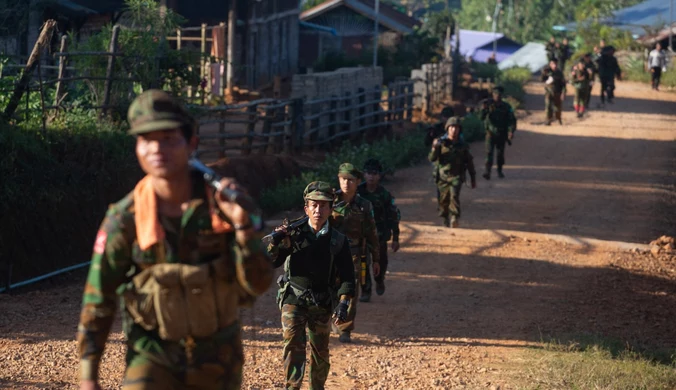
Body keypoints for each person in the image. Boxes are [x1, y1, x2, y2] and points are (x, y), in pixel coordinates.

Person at [76, 90, 273, 390]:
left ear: (191, 143)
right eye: (146, 139)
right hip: (152, 357)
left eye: (168, 138)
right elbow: (98, 297)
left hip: (218, 359)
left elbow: (257, 285)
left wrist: (243, 226)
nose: (157, 148)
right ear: (137, 147)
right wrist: (88, 375)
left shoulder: (223, 206)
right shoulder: (125, 218)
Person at [268, 181, 355, 390]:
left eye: (323, 205)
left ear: (330, 209)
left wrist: (343, 304)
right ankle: (292, 387)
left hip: (322, 302)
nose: (318, 210)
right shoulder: (294, 233)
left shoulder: (338, 240)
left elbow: (347, 277)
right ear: (306, 208)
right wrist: (276, 242)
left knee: (320, 353)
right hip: (293, 299)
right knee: (293, 346)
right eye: (314, 205)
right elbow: (272, 261)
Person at [330, 163, 380, 343]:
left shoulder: (364, 205)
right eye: (343, 179)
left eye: (351, 180)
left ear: (358, 181)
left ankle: (345, 329)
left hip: (353, 254)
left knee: (350, 292)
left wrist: (376, 259)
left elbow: (372, 233)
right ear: (338, 179)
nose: (346, 183)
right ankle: (334, 316)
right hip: (330, 254)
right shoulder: (329, 201)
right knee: (330, 290)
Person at [357, 158, 401, 299]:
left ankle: (379, 280)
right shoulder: (358, 193)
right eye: (368, 173)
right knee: (363, 263)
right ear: (364, 175)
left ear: (379, 175)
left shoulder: (384, 195)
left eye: (374, 173)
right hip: (361, 235)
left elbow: (393, 216)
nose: (371, 176)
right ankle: (365, 290)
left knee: (381, 262)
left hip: (379, 235)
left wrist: (395, 238)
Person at [428, 117, 477, 228]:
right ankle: (445, 218)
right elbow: (432, 158)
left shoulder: (462, 145)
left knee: (454, 196)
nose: (454, 130)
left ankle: (454, 217)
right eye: (451, 127)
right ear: (447, 129)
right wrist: (434, 148)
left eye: (456, 128)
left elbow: (469, 163)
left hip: (456, 176)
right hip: (442, 177)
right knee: (443, 200)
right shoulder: (441, 143)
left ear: (459, 130)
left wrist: (473, 178)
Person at [480, 86, 516, 180]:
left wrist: (510, 131)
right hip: (490, 133)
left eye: (499, 94)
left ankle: (499, 171)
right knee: (489, 153)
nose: (497, 96)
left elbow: (511, 120)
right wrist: (483, 109)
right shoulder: (488, 105)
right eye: (495, 94)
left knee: (500, 154)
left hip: (501, 134)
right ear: (493, 95)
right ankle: (487, 172)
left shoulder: (506, 107)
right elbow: (481, 118)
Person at [541, 59, 566, 125]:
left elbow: (563, 84)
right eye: (552, 64)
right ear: (550, 64)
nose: (554, 65)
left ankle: (558, 119)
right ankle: (548, 120)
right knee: (548, 106)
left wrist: (563, 93)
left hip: (557, 92)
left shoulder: (559, 73)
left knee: (557, 108)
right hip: (548, 92)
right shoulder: (547, 71)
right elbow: (542, 80)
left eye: (555, 64)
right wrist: (544, 74)